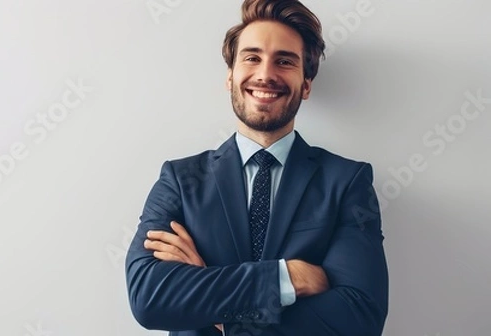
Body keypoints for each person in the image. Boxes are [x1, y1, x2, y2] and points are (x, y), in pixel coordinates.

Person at [125, 0, 389, 335]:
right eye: (252, 57)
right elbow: (150, 298)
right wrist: (288, 277)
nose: (265, 74)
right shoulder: (179, 180)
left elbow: (360, 318)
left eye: (284, 61)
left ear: (306, 85)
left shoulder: (347, 182)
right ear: (230, 76)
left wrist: (217, 306)